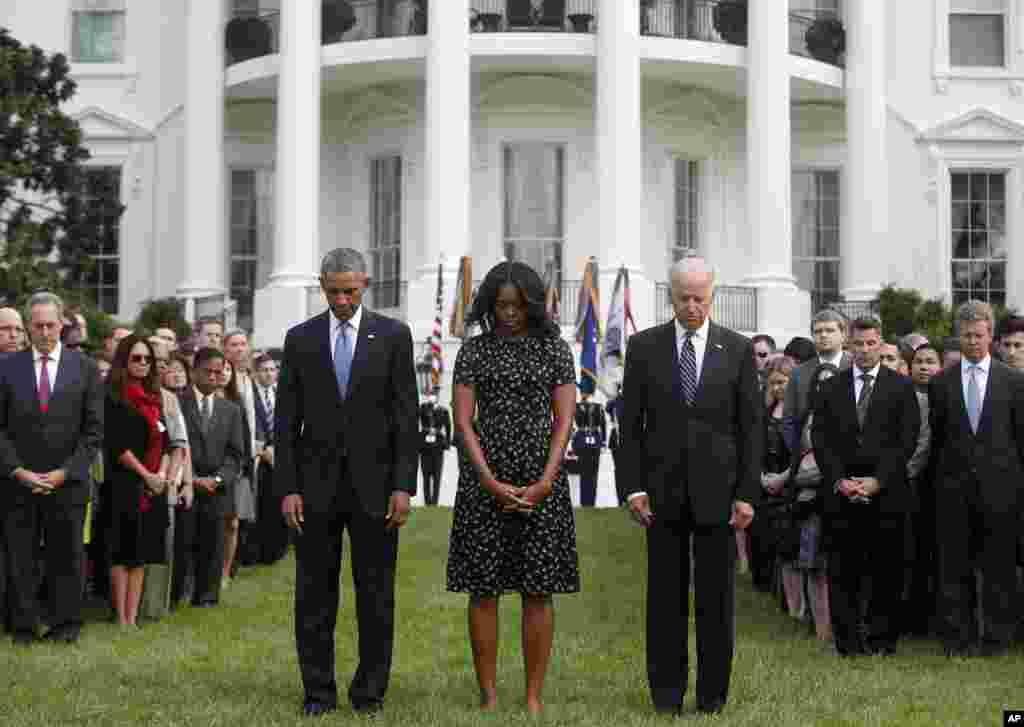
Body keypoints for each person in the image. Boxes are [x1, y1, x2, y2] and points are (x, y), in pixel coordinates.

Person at [276, 248, 418, 718]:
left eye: (350, 291)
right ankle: (317, 691)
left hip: (376, 489)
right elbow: (285, 423)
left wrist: (403, 485)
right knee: (314, 594)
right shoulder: (300, 339)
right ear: (321, 285)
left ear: (366, 284)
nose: (342, 300)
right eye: (334, 291)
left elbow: (405, 416)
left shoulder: (394, 336)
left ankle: (369, 692)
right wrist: (288, 487)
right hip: (313, 490)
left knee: (376, 594)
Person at [621, 257, 762, 716]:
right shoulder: (644, 347)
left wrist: (746, 493)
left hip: (719, 496)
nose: (693, 306)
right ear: (671, 297)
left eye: (701, 297)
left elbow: (751, 429)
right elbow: (631, 427)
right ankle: (666, 694)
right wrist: (633, 487)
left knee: (716, 600)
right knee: (664, 598)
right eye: (685, 297)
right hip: (660, 496)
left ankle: (712, 696)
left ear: (713, 296)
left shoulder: (737, 349)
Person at [447, 260, 578, 714]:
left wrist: (546, 479)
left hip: (542, 482)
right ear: (488, 304)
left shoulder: (554, 349)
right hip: (483, 482)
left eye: (517, 306)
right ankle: (488, 694)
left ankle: (534, 697)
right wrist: (486, 479)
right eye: (500, 305)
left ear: (533, 305)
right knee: (483, 590)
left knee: (537, 591)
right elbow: (462, 421)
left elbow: (564, 420)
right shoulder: (475, 351)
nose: (508, 313)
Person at [812, 316, 920, 657]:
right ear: (849, 345)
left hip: (886, 494)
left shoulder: (900, 387)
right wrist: (839, 480)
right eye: (858, 344)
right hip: (842, 495)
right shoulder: (831, 387)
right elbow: (821, 439)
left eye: (871, 343)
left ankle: (882, 640)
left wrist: (878, 481)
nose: (865, 350)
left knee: (886, 570)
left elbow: (907, 439)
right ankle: (847, 642)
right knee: (844, 571)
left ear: (881, 343)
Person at [0, 292, 103, 644]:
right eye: (38, 325)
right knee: (21, 557)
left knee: (68, 556)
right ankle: (24, 627)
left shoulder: (85, 368)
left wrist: (65, 472)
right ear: (29, 327)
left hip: (68, 482)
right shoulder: (6, 367)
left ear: (62, 325)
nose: (45, 332)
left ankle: (65, 625)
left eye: (51, 325)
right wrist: (17, 470)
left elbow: (93, 431)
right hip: (18, 482)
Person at [928, 301, 1024, 657]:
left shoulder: (1014, 382)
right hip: (953, 491)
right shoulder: (941, 385)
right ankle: (958, 640)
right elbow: (937, 440)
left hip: (1002, 492)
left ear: (992, 337)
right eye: (966, 335)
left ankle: (997, 639)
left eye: (979, 335)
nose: (972, 342)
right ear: (958, 335)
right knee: (954, 568)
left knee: (998, 568)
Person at [103, 336, 176, 627]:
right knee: (122, 553)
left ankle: (133, 618)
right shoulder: (112, 396)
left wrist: (161, 477)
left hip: (153, 486)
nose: (143, 364)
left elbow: (169, 442)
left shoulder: (155, 398)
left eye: (147, 359)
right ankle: (121, 618)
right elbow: (117, 446)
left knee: (142, 554)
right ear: (124, 360)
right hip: (124, 484)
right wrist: (146, 475)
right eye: (136, 358)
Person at [176, 347, 244, 609]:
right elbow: (173, 445)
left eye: (219, 372)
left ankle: (207, 596)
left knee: (214, 543)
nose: (214, 377)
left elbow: (236, 455)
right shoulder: (177, 403)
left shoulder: (231, 410)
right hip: (185, 485)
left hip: (217, 489)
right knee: (183, 541)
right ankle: (178, 592)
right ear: (194, 372)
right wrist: (190, 478)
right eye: (209, 372)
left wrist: (217, 480)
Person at [779, 362, 837, 641]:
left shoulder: (847, 415)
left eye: (830, 382)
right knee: (814, 566)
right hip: (810, 500)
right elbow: (801, 462)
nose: (824, 387)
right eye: (819, 383)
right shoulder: (807, 419)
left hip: (840, 498)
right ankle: (821, 630)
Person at [903, 341, 942, 637]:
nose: (925, 367)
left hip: (937, 485)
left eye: (931, 361)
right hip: (907, 483)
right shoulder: (903, 395)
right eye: (919, 361)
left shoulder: (944, 395)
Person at [748, 355, 794, 594]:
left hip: (790, 483)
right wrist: (762, 476)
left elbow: (803, 452)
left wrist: (783, 478)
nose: (777, 387)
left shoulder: (800, 412)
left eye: (782, 382)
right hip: (765, 482)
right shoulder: (766, 411)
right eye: (773, 383)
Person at [782, 310, 852, 455]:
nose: (823, 335)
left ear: (843, 334)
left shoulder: (856, 366)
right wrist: (799, 455)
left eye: (830, 330)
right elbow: (789, 419)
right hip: (808, 458)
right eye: (818, 331)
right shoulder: (798, 373)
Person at [220, 351, 257, 578]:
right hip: (212, 467)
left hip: (237, 469)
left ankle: (226, 571)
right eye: (219, 369)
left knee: (233, 522)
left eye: (227, 370)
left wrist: (242, 465)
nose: (223, 374)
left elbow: (244, 436)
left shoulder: (237, 401)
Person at [252, 353, 287, 564]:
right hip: (260, 457)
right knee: (262, 506)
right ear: (256, 372)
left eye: (273, 369)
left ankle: (277, 549)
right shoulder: (250, 395)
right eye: (264, 370)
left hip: (281, 457)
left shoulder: (281, 393)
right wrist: (264, 450)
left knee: (278, 504)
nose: (269, 373)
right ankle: (259, 551)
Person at [572, 391, 606, 508]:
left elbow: (602, 424)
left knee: (593, 474)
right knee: (584, 474)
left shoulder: (597, 407)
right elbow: (572, 424)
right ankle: (584, 501)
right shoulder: (576, 406)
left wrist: (603, 441)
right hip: (582, 442)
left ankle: (591, 501)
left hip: (594, 442)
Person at [418, 393, 451, 506]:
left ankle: (435, 503)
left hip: (438, 446)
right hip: (424, 446)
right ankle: (427, 503)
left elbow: (448, 427)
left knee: (437, 476)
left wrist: (447, 443)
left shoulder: (443, 411)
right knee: (426, 476)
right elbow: (414, 422)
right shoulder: (422, 409)